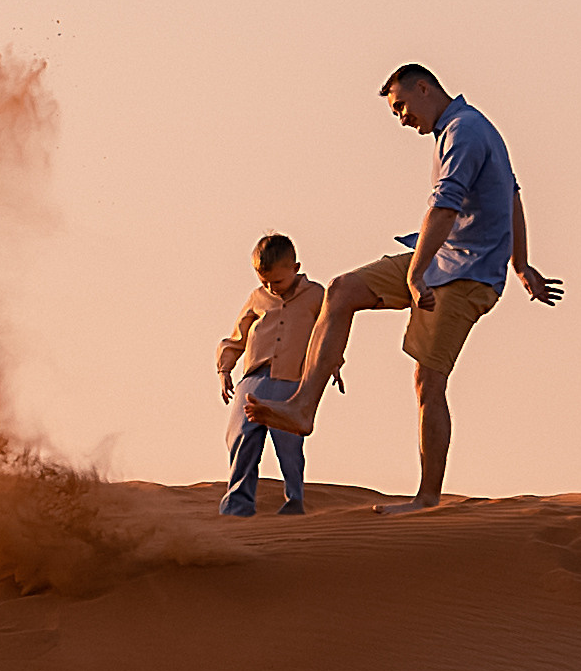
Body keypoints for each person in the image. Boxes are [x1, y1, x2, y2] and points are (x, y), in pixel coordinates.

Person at [253, 64, 561, 508]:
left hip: (465, 275)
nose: (401, 118)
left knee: (428, 382)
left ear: (424, 88)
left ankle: (427, 498)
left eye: (401, 106)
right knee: (340, 291)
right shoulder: (459, 130)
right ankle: (303, 406)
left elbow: (446, 207)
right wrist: (522, 263)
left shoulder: (466, 131)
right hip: (439, 258)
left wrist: (419, 275)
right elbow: (510, 194)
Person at [214, 232, 327, 517]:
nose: (271, 288)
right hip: (253, 379)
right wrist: (225, 368)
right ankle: (236, 507)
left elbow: (328, 334)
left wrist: (333, 364)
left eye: (277, 281)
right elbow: (238, 335)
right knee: (242, 439)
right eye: (264, 281)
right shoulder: (257, 297)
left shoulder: (316, 295)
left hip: (291, 380)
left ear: (295, 268)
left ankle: (294, 503)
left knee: (289, 446)